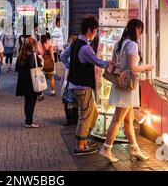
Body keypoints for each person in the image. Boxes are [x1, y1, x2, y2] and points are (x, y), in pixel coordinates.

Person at [99, 19, 155, 163]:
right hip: (127, 88)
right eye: (141, 30)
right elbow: (133, 68)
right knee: (118, 120)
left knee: (129, 120)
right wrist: (148, 67)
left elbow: (114, 63)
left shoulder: (119, 44)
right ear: (137, 29)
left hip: (120, 84)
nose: (141, 34)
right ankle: (106, 149)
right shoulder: (132, 45)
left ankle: (134, 149)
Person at [61, 15, 109, 155]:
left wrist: (72, 67)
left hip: (76, 85)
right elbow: (99, 62)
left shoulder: (75, 43)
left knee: (93, 113)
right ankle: (80, 146)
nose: (95, 34)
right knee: (85, 116)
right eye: (95, 31)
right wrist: (112, 64)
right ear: (89, 30)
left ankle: (84, 140)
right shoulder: (86, 48)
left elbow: (63, 57)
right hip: (83, 87)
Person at [15, 37, 42, 128]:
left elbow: (17, 68)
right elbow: (40, 66)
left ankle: (28, 119)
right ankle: (28, 122)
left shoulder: (21, 55)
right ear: (32, 46)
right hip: (32, 82)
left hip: (23, 81)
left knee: (27, 101)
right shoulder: (33, 56)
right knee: (31, 102)